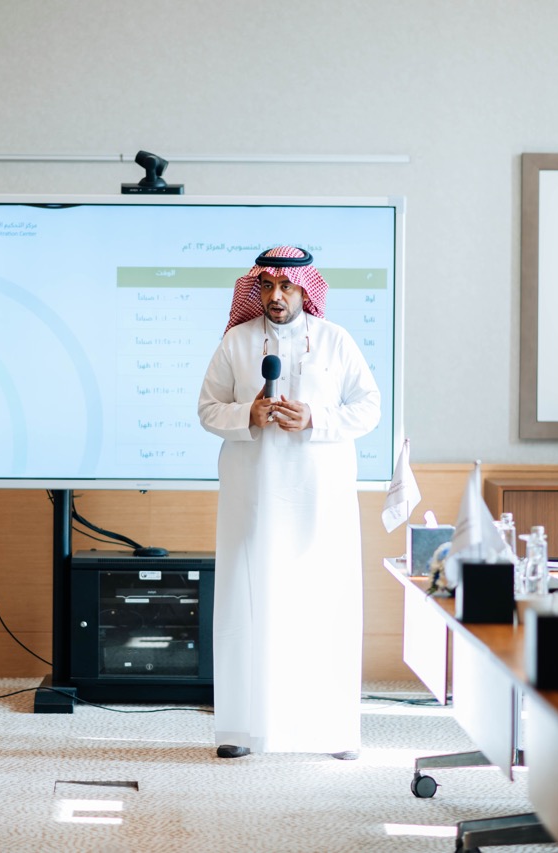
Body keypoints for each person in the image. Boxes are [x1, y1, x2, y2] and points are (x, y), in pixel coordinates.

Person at [197, 246, 381, 760]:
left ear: (305, 289)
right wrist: (246, 415)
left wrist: (316, 418)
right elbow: (208, 409)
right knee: (249, 605)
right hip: (254, 496)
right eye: (267, 287)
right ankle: (242, 730)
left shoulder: (335, 340)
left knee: (322, 606)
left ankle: (332, 732)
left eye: (286, 286)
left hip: (320, 497)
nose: (275, 296)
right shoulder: (236, 342)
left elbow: (369, 408)